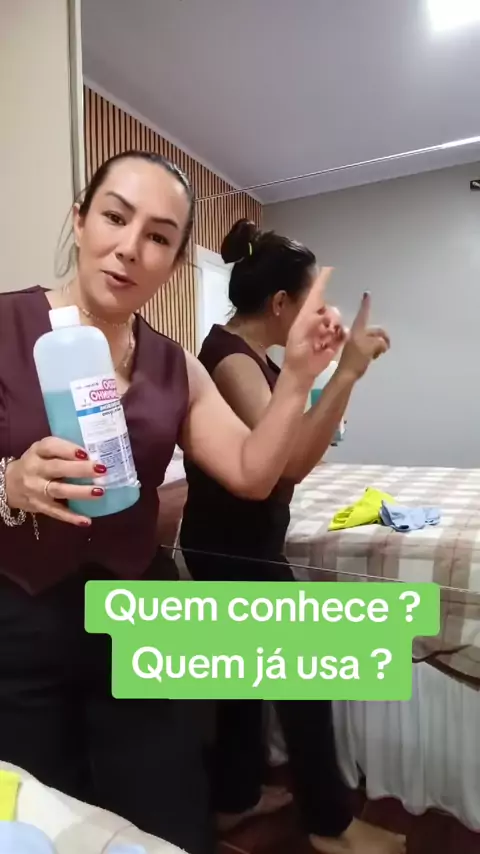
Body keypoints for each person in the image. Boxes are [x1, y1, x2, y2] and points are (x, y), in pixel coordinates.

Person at [0, 152, 353, 854]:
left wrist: (299, 378)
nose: (131, 247)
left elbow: (252, 472)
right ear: (80, 220)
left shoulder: (176, 365)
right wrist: (8, 484)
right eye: (115, 217)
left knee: (170, 820)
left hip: (137, 617)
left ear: (173, 263)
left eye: (159, 236)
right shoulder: (5, 325)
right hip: (20, 619)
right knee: (39, 824)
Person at [180, 220, 405, 854]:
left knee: (243, 683)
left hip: (241, 539)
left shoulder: (254, 358)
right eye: (310, 303)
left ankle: (234, 799)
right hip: (230, 545)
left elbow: (302, 444)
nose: (316, 315)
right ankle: (330, 827)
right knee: (305, 676)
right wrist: (345, 374)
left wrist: (335, 375)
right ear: (281, 303)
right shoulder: (230, 362)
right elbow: (290, 466)